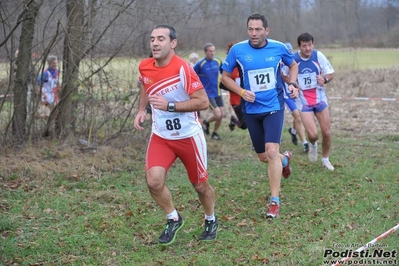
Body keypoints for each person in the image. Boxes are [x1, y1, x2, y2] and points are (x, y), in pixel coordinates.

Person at [133, 24, 218, 245]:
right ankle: (173, 217)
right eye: (152, 39)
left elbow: (203, 102)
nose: (155, 43)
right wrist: (142, 110)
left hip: (189, 136)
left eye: (161, 39)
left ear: (173, 43)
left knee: (200, 185)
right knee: (153, 182)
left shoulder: (183, 69)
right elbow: (145, 84)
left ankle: (210, 218)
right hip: (161, 137)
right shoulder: (145, 66)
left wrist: (170, 106)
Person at [221, 14, 299, 218]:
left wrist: (292, 83)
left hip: (274, 105)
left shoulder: (278, 47)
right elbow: (225, 77)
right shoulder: (238, 50)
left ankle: (274, 201)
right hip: (251, 109)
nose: (254, 33)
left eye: (258, 29)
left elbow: (293, 65)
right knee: (263, 156)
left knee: (272, 150)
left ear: (267, 30)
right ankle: (284, 160)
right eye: (250, 29)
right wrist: (240, 92)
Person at [294, 32, 335, 170]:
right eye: (304, 46)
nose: (307, 49)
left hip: (320, 98)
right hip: (303, 101)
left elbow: (330, 73)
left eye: (309, 45)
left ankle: (325, 159)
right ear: (299, 46)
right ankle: (312, 144)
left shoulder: (318, 56)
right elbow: (284, 75)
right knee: (313, 135)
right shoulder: (294, 59)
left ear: (313, 44)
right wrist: (293, 84)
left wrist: (325, 79)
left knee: (327, 132)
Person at [281, 42, 309, 153]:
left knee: (299, 117)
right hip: (286, 95)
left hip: (297, 93)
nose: (289, 54)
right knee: (298, 116)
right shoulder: (280, 63)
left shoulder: (295, 61)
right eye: (287, 51)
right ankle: (305, 144)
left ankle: (293, 131)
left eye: (290, 51)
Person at [193, 43, 224, 140]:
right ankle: (205, 122)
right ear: (205, 52)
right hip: (208, 94)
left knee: (221, 115)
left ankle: (214, 132)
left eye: (213, 51)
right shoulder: (200, 64)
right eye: (210, 51)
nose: (212, 53)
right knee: (217, 114)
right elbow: (193, 77)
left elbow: (225, 73)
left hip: (217, 92)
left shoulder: (218, 61)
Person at [221, 42, 247, 131]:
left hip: (247, 98)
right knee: (244, 125)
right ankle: (233, 120)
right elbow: (222, 84)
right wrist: (235, 88)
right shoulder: (230, 69)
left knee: (252, 122)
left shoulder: (245, 66)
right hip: (236, 100)